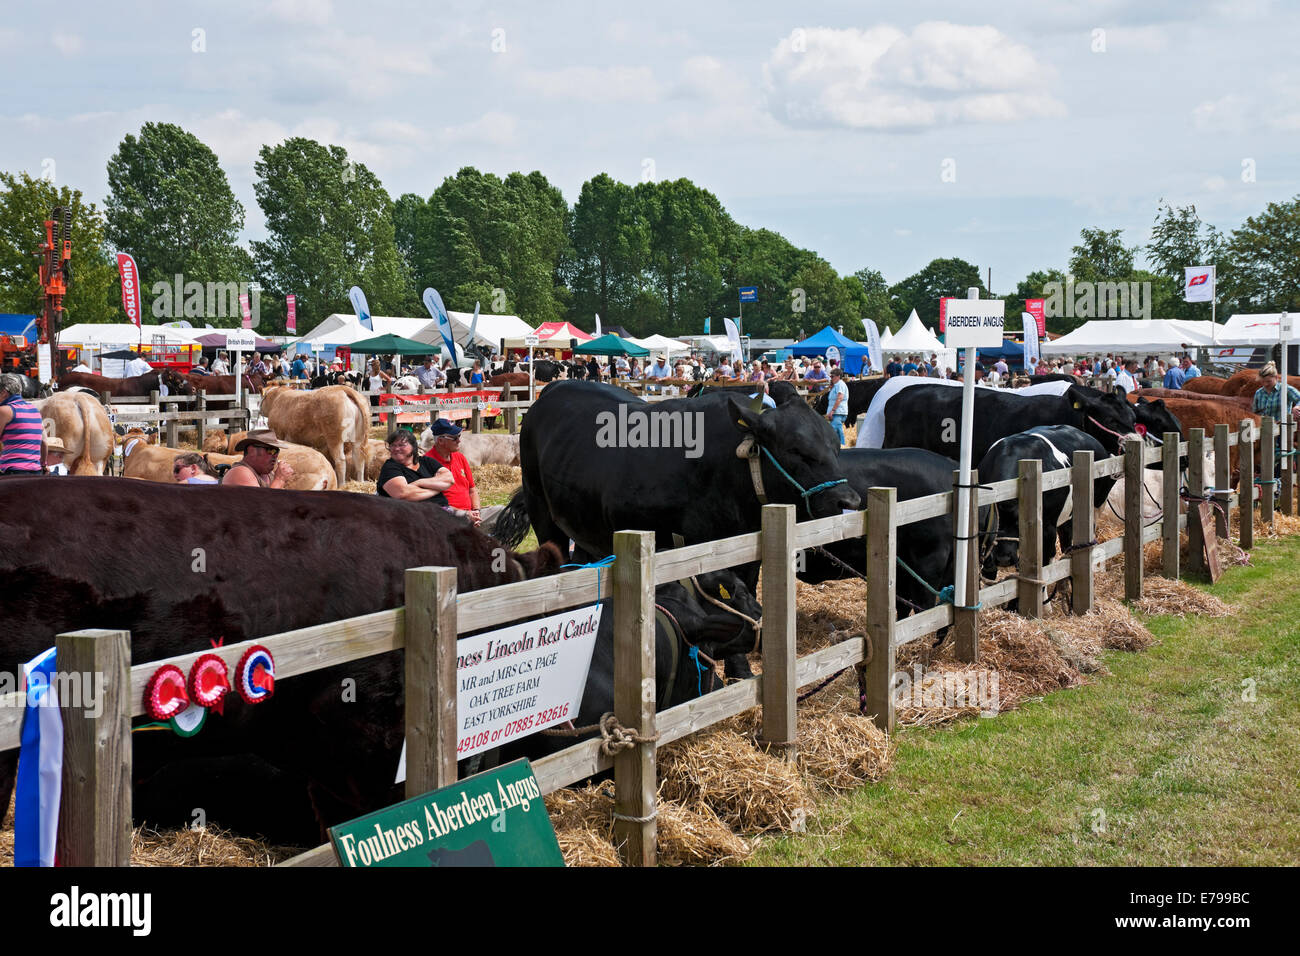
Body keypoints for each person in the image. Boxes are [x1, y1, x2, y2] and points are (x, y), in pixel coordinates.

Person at [422, 418, 493, 528]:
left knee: (504, 513)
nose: (459, 440)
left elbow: (472, 490)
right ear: (440, 441)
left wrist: (476, 511)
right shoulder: (426, 462)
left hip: (470, 514)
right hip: (447, 516)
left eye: (459, 436)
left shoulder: (460, 457)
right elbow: (432, 503)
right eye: (455, 438)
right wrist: (465, 515)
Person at [377, 429, 454, 502]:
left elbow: (449, 479)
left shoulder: (426, 461)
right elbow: (403, 494)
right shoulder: (390, 467)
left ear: (413, 446)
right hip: (415, 513)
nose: (396, 449)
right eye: (393, 445)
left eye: (401, 445)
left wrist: (419, 482)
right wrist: (437, 489)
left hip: (443, 509)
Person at [221, 429, 296, 488]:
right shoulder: (240, 472)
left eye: (276, 451)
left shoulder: (268, 474)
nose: (275, 455)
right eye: (270, 450)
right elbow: (261, 505)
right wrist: (280, 479)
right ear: (251, 451)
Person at [0, 373, 43, 474]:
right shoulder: (34, 410)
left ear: (4, 393)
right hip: (36, 471)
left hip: (13, 471)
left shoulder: (4, 411)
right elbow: (43, 441)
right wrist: (44, 464)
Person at [1252, 362, 1300, 427]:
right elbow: (1255, 413)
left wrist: (1297, 407)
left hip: (1282, 429)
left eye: (1269, 381)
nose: (1265, 384)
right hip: (1263, 429)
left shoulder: (1285, 389)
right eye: (1262, 381)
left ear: (1276, 377)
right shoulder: (1258, 393)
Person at [825, 367, 849, 445]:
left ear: (838, 376)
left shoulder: (840, 384)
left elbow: (839, 398)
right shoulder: (836, 385)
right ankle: (841, 446)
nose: (831, 378)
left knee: (834, 430)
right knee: (837, 430)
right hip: (836, 412)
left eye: (833, 376)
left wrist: (832, 411)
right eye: (830, 376)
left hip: (838, 412)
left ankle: (842, 446)